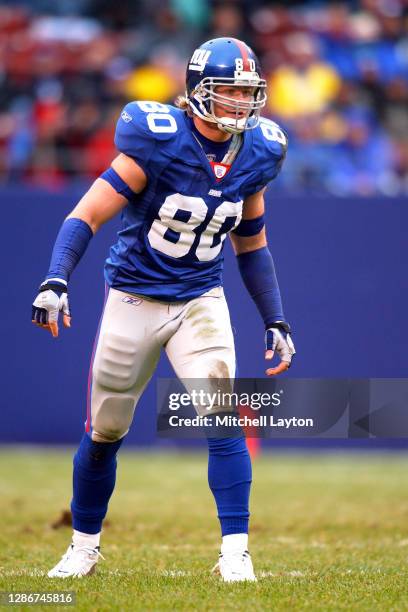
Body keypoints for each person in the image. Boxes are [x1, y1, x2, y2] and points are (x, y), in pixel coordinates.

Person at [31, 37, 295, 582]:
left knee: (222, 418)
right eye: (229, 92)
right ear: (199, 92)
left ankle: (236, 552)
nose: (241, 105)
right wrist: (57, 278)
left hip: (201, 297)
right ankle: (84, 545)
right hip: (134, 296)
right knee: (106, 430)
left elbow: (252, 242)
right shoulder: (158, 141)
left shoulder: (258, 152)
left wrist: (275, 318)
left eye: (248, 93)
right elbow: (87, 214)